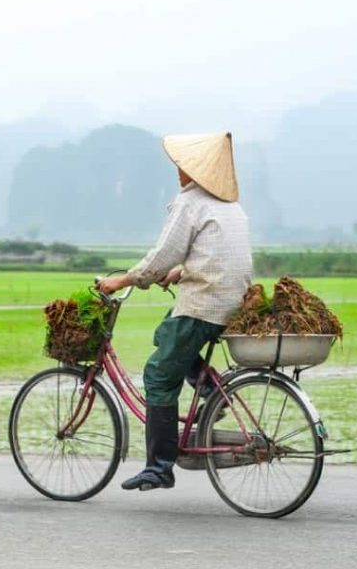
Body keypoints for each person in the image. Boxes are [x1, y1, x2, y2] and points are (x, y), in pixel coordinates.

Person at [96, 132, 252, 491]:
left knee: (158, 375)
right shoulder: (230, 206)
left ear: (195, 170)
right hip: (230, 300)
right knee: (168, 332)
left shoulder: (191, 203)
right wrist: (182, 271)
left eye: (183, 165)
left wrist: (124, 281)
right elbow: (218, 254)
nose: (178, 171)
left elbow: (164, 252)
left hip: (205, 303)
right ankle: (210, 387)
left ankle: (159, 467)